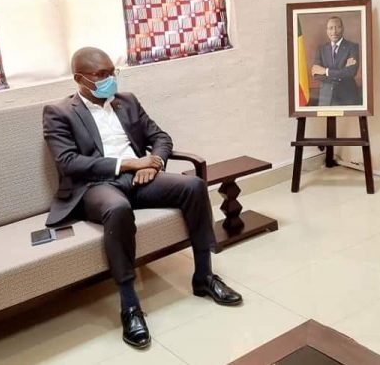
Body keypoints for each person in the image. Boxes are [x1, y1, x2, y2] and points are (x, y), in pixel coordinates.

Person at [42, 47, 243, 349]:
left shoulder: (127, 101)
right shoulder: (59, 112)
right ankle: (130, 306)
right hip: (96, 186)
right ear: (79, 79)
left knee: (194, 186)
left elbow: (160, 138)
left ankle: (204, 276)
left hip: (140, 177)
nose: (110, 79)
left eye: (112, 72)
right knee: (118, 209)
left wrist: (154, 164)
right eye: (101, 75)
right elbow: (69, 163)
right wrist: (128, 164)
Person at [311, 16, 362, 106]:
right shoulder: (321, 49)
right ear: (327, 31)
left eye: (337, 27)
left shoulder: (352, 47)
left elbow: (351, 72)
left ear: (342, 28)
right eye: (331, 28)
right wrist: (341, 72)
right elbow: (316, 74)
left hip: (347, 98)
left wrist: (325, 71)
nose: (334, 31)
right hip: (326, 98)